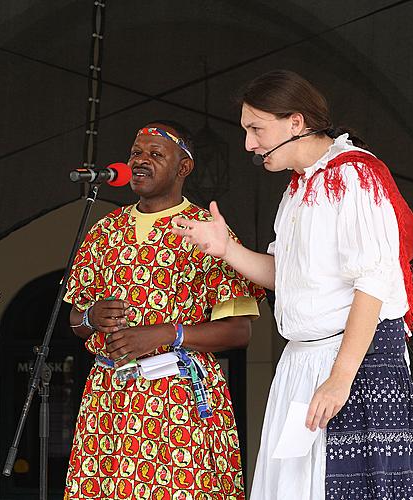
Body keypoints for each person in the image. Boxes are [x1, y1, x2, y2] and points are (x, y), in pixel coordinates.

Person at [172, 69, 413, 499]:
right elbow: (287, 277)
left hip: (352, 359)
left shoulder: (353, 177)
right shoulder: (298, 191)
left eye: (256, 129)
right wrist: (227, 250)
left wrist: (340, 376)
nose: (249, 144)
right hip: (304, 360)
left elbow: (375, 281)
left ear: (296, 122)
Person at [63, 120, 266, 499]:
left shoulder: (208, 230)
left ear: (183, 168)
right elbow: (75, 320)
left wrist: (166, 333)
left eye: (155, 154)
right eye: (136, 153)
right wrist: (91, 316)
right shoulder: (103, 231)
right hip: (110, 398)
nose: (140, 161)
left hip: (180, 398)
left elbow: (240, 331)